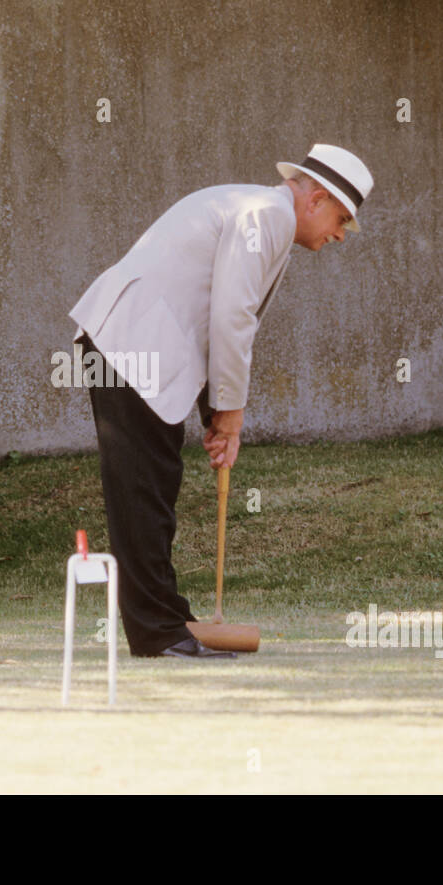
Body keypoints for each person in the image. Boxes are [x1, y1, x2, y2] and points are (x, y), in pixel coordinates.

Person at [69, 144, 373, 659]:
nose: (341, 233)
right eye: (341, 218)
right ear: (316, 199)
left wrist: (215, 414)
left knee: (153, 486)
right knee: (143, 490)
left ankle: (168, 617)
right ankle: (158, 633)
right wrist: (230, 415)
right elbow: (233, 316)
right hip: (134, 341)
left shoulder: (262, 213)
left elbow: (220, 314)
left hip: (140, 344)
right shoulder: (266, 215)